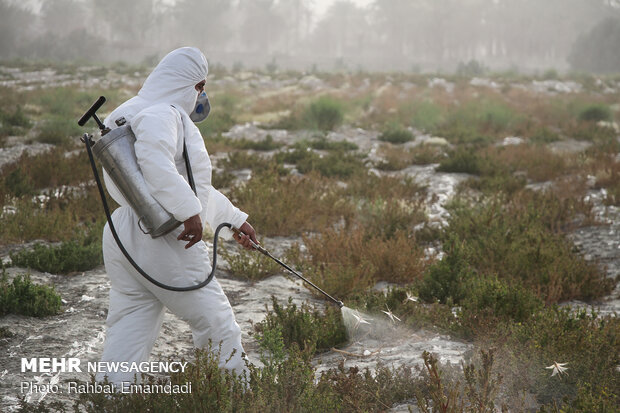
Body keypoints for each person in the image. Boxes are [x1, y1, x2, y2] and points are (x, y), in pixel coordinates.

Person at [96, 47, 257, 385]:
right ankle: (235, 396)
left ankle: (110, 396)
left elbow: (186, 186)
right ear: (192, 83)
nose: (201, 95)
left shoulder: (128, 111)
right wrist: (190, 215)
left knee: (131, 320)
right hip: (163, 234)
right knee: (216, 322)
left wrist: (232, 220)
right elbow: (157, 165)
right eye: (201, 86)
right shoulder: (164, 112)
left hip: (123, 230)